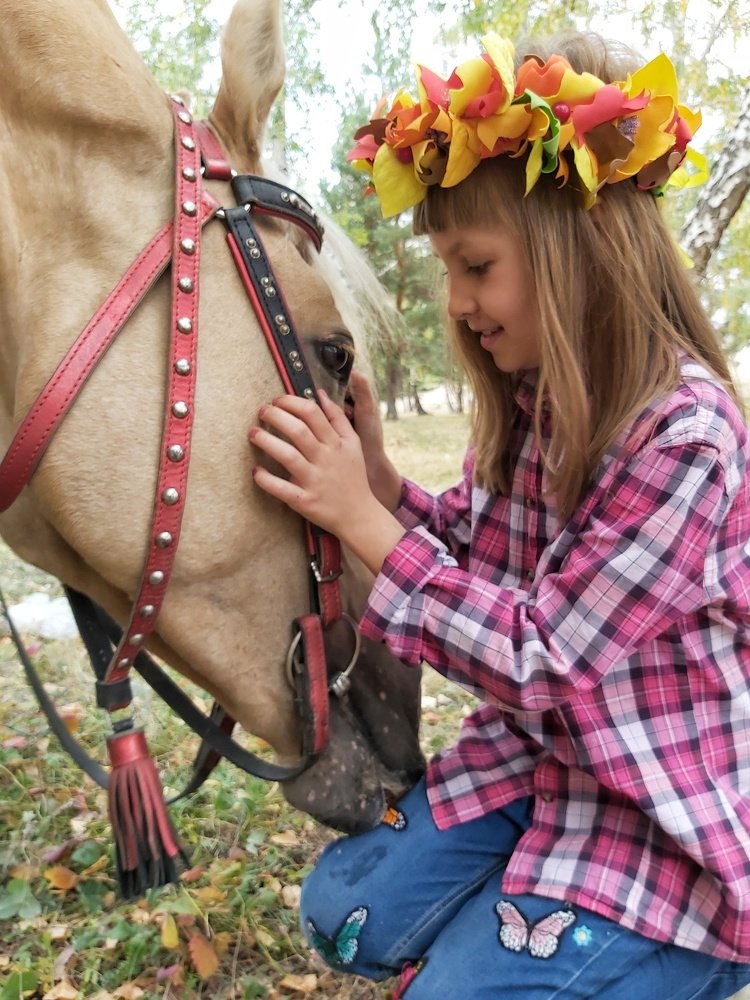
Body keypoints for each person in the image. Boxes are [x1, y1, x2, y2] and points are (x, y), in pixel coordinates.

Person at [248, 28, 750, 1000]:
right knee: (342, 919)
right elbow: (484, 556)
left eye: (476, 265)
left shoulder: (685, 437)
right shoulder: (535, 407)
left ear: (581, 251)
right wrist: (388, 489)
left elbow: (543, 654)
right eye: (447, 268)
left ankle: (690, 959)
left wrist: (366, 525)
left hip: (656, 819)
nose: (458, 300)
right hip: (542, 760)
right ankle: (506, 947)